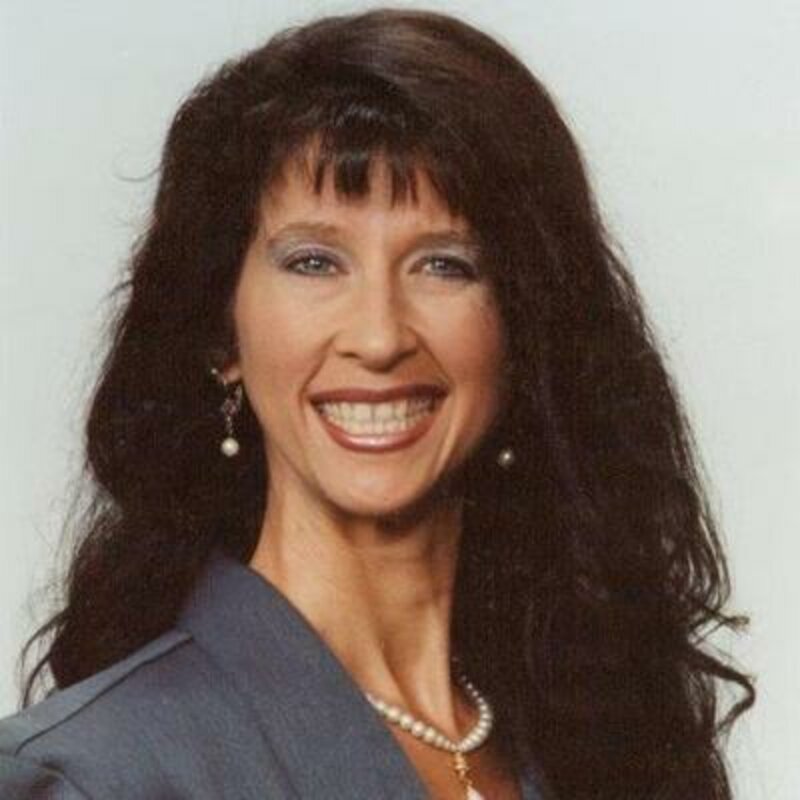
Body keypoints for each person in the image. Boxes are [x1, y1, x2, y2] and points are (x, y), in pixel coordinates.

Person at [0, 8, 754, 799]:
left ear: (525, 331)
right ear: (222, 337)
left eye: (445, 265)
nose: (380, 336)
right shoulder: (94, 776)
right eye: (314, 262)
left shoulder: (610, 742)